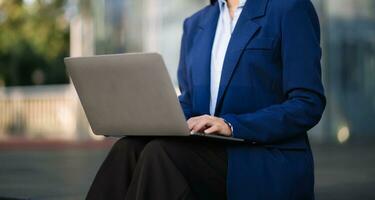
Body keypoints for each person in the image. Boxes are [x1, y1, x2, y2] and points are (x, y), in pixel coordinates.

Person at [86, 0, 326, 199]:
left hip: (262, 155)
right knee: (127, 149)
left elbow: (307, 103)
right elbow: (190, 102)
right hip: (207, 149)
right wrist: (139, 119)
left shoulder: (289, 9)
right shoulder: (196, 24)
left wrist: (232, 125)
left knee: (160, 154)